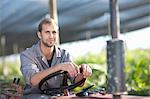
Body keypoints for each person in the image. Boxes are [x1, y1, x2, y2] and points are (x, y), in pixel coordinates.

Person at [20, 18, 92, 98]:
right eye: (47, 32)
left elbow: (76, 82)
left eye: (54, 32)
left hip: (59, 96)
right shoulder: (27, 55)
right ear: (39, 34)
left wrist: (83, 73)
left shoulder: (64, 55)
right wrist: (59, 67)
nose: (51, 36)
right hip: (35, 96)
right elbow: (33, 80)